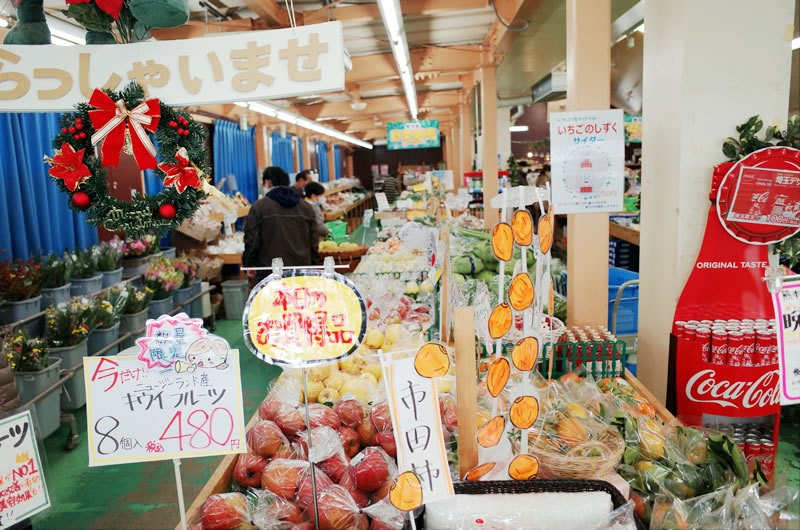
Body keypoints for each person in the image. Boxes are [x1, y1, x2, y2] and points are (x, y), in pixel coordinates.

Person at [243, 167, 316, 285]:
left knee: (272, 302)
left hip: (269, 272)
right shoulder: (306, 207)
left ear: (267, 182)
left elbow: (252, 239)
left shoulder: (259, 207)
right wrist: (314, 265)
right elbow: (314, 241)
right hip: (301, 270)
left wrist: (249, 264)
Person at [305, 181, 331, 265]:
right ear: (313, 196)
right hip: (316, 239)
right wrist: (327, 230)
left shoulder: (303, 204)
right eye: (320, 196)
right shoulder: (313, 207)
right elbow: (318, 225)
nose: (321, 198)